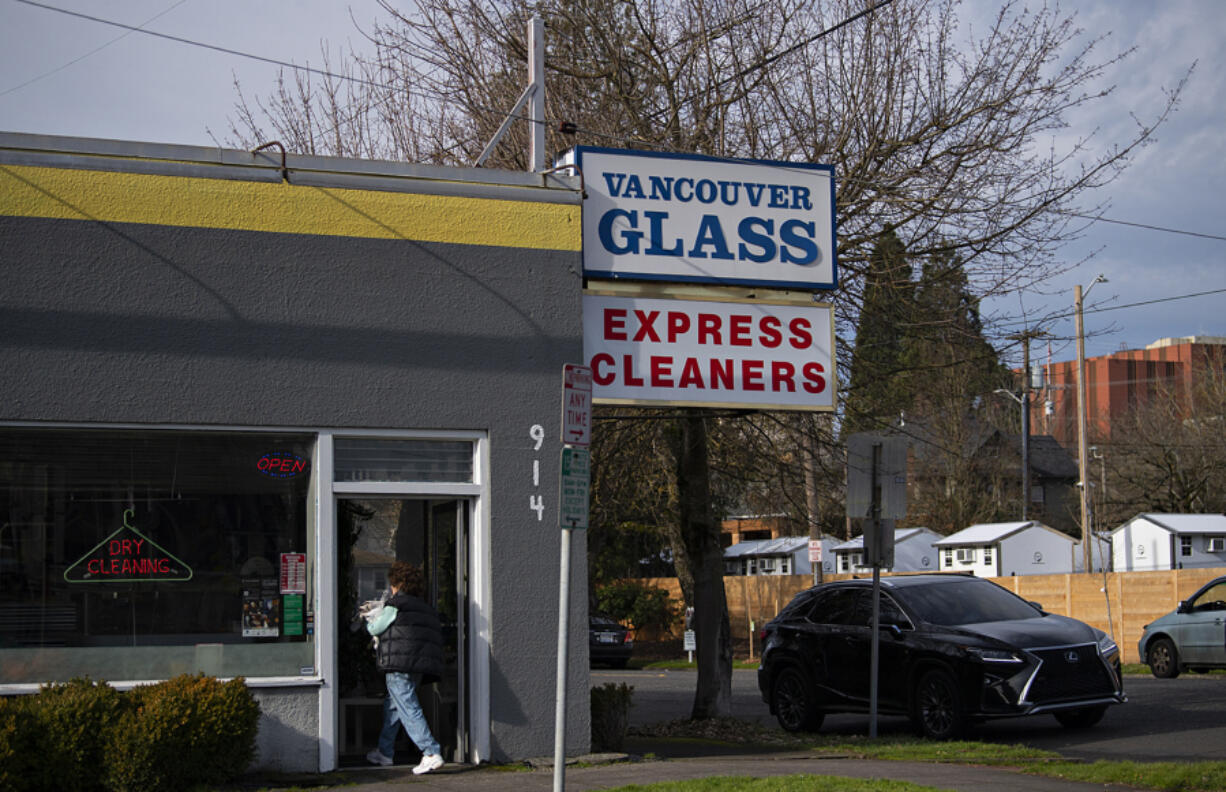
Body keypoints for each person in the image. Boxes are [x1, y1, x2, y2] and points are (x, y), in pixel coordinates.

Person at [363, 560, 446, 774]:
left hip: (398, 664)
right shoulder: (424, 607)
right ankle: (385, 751)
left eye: (392, 584)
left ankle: (430, 752)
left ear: (398, 585)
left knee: (407, 706)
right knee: (394, 706)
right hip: (417, 664)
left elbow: (376, 627)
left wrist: (367, 618)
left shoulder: (396, 605)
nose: (390, 588)